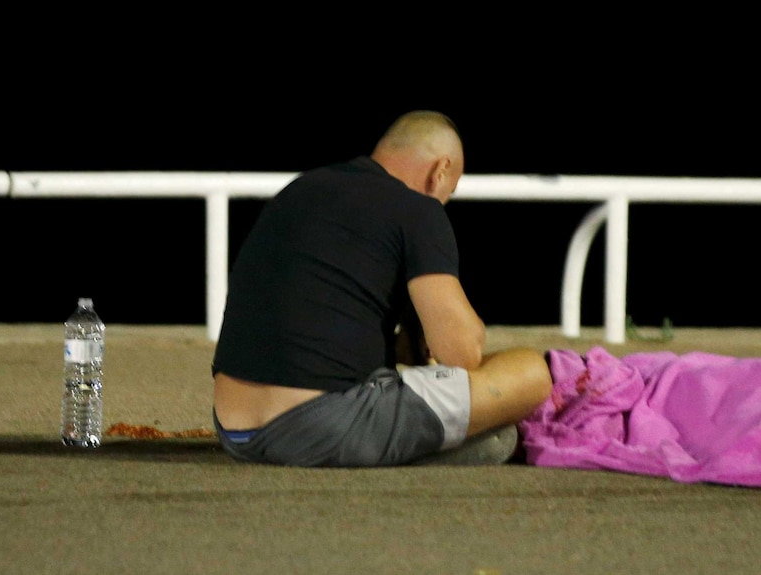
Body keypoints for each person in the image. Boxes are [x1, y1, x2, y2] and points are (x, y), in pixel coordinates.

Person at [211, 110, 552, 467]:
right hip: (321, 425)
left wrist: (403, 344)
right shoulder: (419, 209)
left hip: (234, 430)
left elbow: (313, 324)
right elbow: (461, 355)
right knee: (530, 373)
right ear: (440, 172)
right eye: (449, 193)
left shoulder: (301, 188)